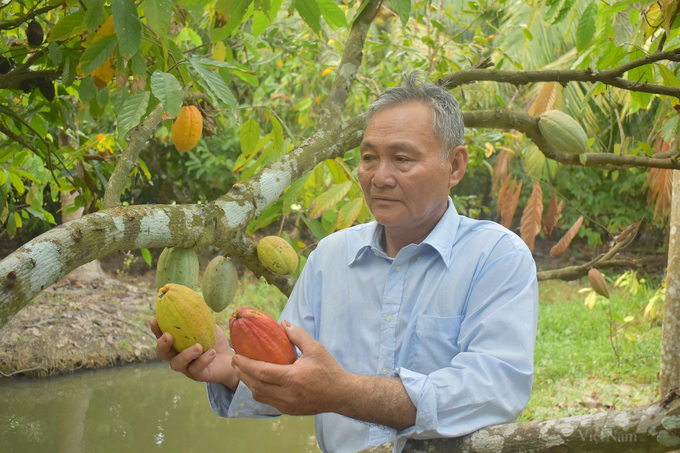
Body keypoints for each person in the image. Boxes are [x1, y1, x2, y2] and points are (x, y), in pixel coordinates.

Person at [150, 73, 538, 453]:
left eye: (402, 159)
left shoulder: (496, 256)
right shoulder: (330, 257)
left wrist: (343, 393)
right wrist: (233, 370)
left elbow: (494, 390)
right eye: (369, 158)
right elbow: (296, 378)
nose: (379, 177)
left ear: (454, 166)